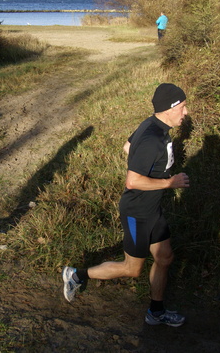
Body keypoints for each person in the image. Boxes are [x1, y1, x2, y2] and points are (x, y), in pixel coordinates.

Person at [62, 83, 190, 327]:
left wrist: (146, 164)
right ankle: (76, 274)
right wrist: (169, 182)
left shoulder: (151, 125)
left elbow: (127, 147)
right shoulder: (153, 138)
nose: (186, 112)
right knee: (132, 269)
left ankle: (156, 311)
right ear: (169, 109)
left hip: (152, 210)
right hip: (137, 212)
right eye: (182, 107)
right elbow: (132, 181)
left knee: (164, 257)